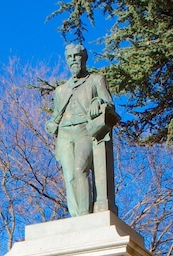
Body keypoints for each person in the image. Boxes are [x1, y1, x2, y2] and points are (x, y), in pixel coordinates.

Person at [46, 44, 120, 217]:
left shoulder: (96, 80)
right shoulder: (61, 90)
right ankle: (76, 216)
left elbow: (109, 105)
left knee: (81, 170)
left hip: (84, 130)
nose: (73, 60)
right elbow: (55, 117)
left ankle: (84, 214)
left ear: (84, 58)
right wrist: (50, 125)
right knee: (70, 176)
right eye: (69, 57)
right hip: (64, 133)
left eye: (76, 56)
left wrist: (97, 102)